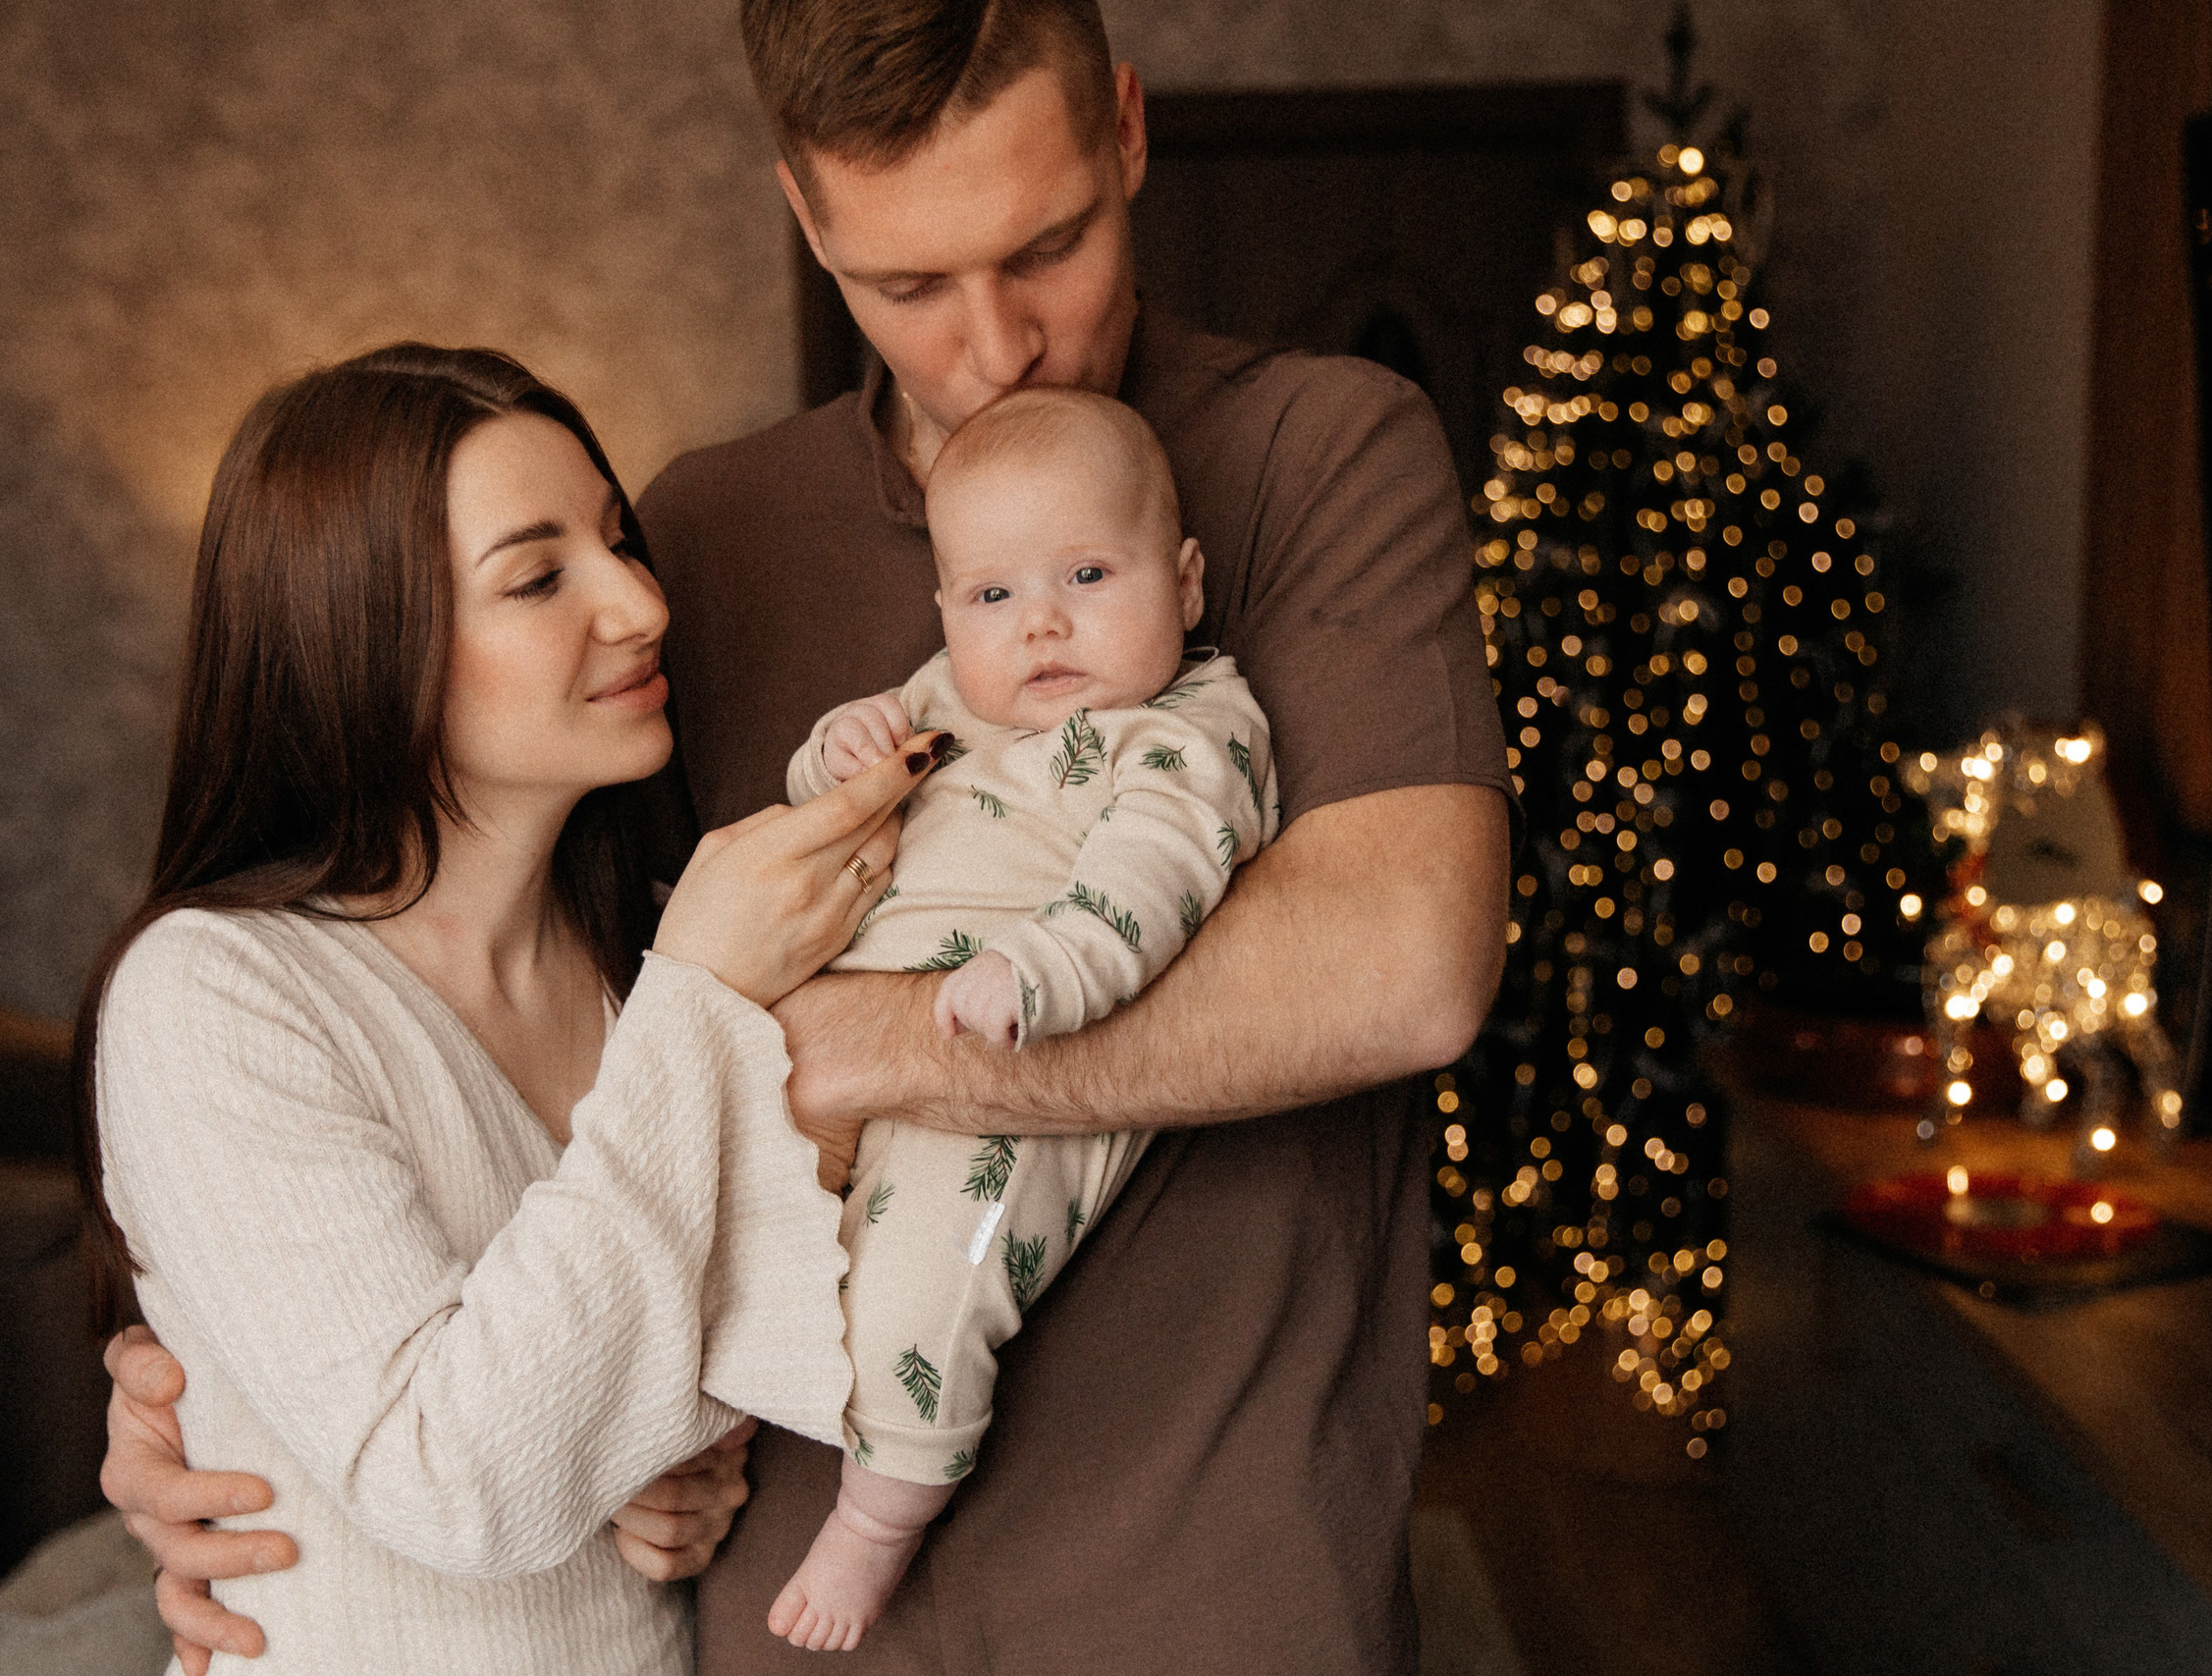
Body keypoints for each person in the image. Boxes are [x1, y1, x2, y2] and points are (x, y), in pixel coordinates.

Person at [103, 1, 1513, 1669]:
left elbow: (1402, 968)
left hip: (1201, 1590)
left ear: (1127, 131)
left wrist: (833, 1048)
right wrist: (213, 1384)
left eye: (1047, 245)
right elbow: (517, 1090)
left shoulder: (1317, 452)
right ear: (806, 217)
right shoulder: (704, 535)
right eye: (906, 284)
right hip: (768, 1612)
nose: (994, 347)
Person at [80, 344, 942, 1673]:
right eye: (539, 576)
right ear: (361, 638)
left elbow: (713, 1349)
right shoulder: (216, 991)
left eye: (615, 539)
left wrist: (673, 1453)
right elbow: (461, 1478)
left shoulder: (633, 955)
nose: (642, 602)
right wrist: (703, 993)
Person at [769, 387, 1276, 1650]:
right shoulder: (950, 695)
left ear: (1187, 581)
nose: (1040, 621)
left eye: (1090, 574)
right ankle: (695, 1434)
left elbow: (1157, 874)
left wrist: (1043, 971)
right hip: (843, 1069)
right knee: (726, 1253)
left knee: (922, 1295)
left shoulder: (1177, 732)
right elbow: (825, 800)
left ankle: (880, 1518)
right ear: (945, 610)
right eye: (990, 595)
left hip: (1009, 1081)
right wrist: (841, 747)